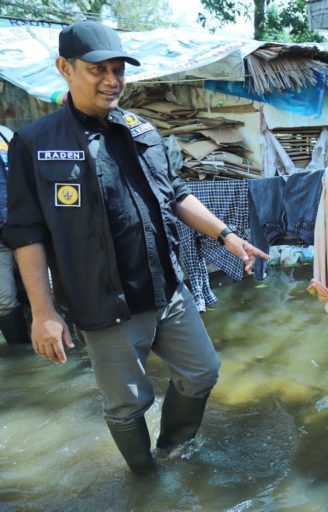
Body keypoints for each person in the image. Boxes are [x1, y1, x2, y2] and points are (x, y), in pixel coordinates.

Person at [2, 21, 268, 475]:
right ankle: (145, 480)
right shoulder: (36, 143)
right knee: (127, 403)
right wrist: (44, 313)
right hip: (102, 302)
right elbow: (27, 232)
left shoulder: (140, 130)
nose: (112, 81)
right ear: (65, 68)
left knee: (202, 371)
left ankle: (173, 450)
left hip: (166, 288)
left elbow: (176, 194)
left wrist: (226, 235)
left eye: (118, 70)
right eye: (98, 70)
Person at [0, 124, 31, 346]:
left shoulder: (6, 134)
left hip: (24, 231)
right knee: (4, 300)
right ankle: (21, 353)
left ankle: (62, 345)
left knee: (46, 291)